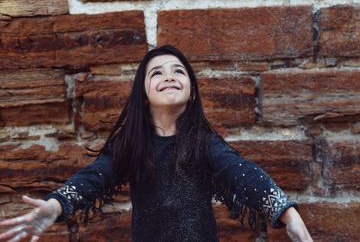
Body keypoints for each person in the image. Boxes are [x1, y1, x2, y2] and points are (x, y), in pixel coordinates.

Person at [0, 45, 312, 242]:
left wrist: (288, 213)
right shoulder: (132, 145)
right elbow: (92, 179)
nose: (169, 76)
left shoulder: (203, 143)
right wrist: (54, 206)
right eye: (157, 73)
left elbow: (244, 174)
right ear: (144, 94)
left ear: (191, 93)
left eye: (179, 71)